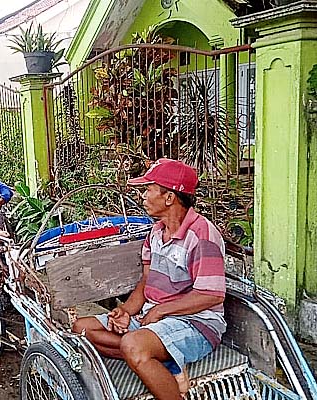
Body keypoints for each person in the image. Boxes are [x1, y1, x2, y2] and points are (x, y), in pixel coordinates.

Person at [72, 158, 226, 400]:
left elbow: (211, 294)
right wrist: (125, 311)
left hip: (196, 323)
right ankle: (169, 367)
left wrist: (160, 311)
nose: (143, 196)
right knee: (81, 329)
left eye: (148, 189)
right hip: (155, 317)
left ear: (169, 197)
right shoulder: (156, 233)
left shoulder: (202, 235)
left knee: (133, 345)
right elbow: (147, 281)